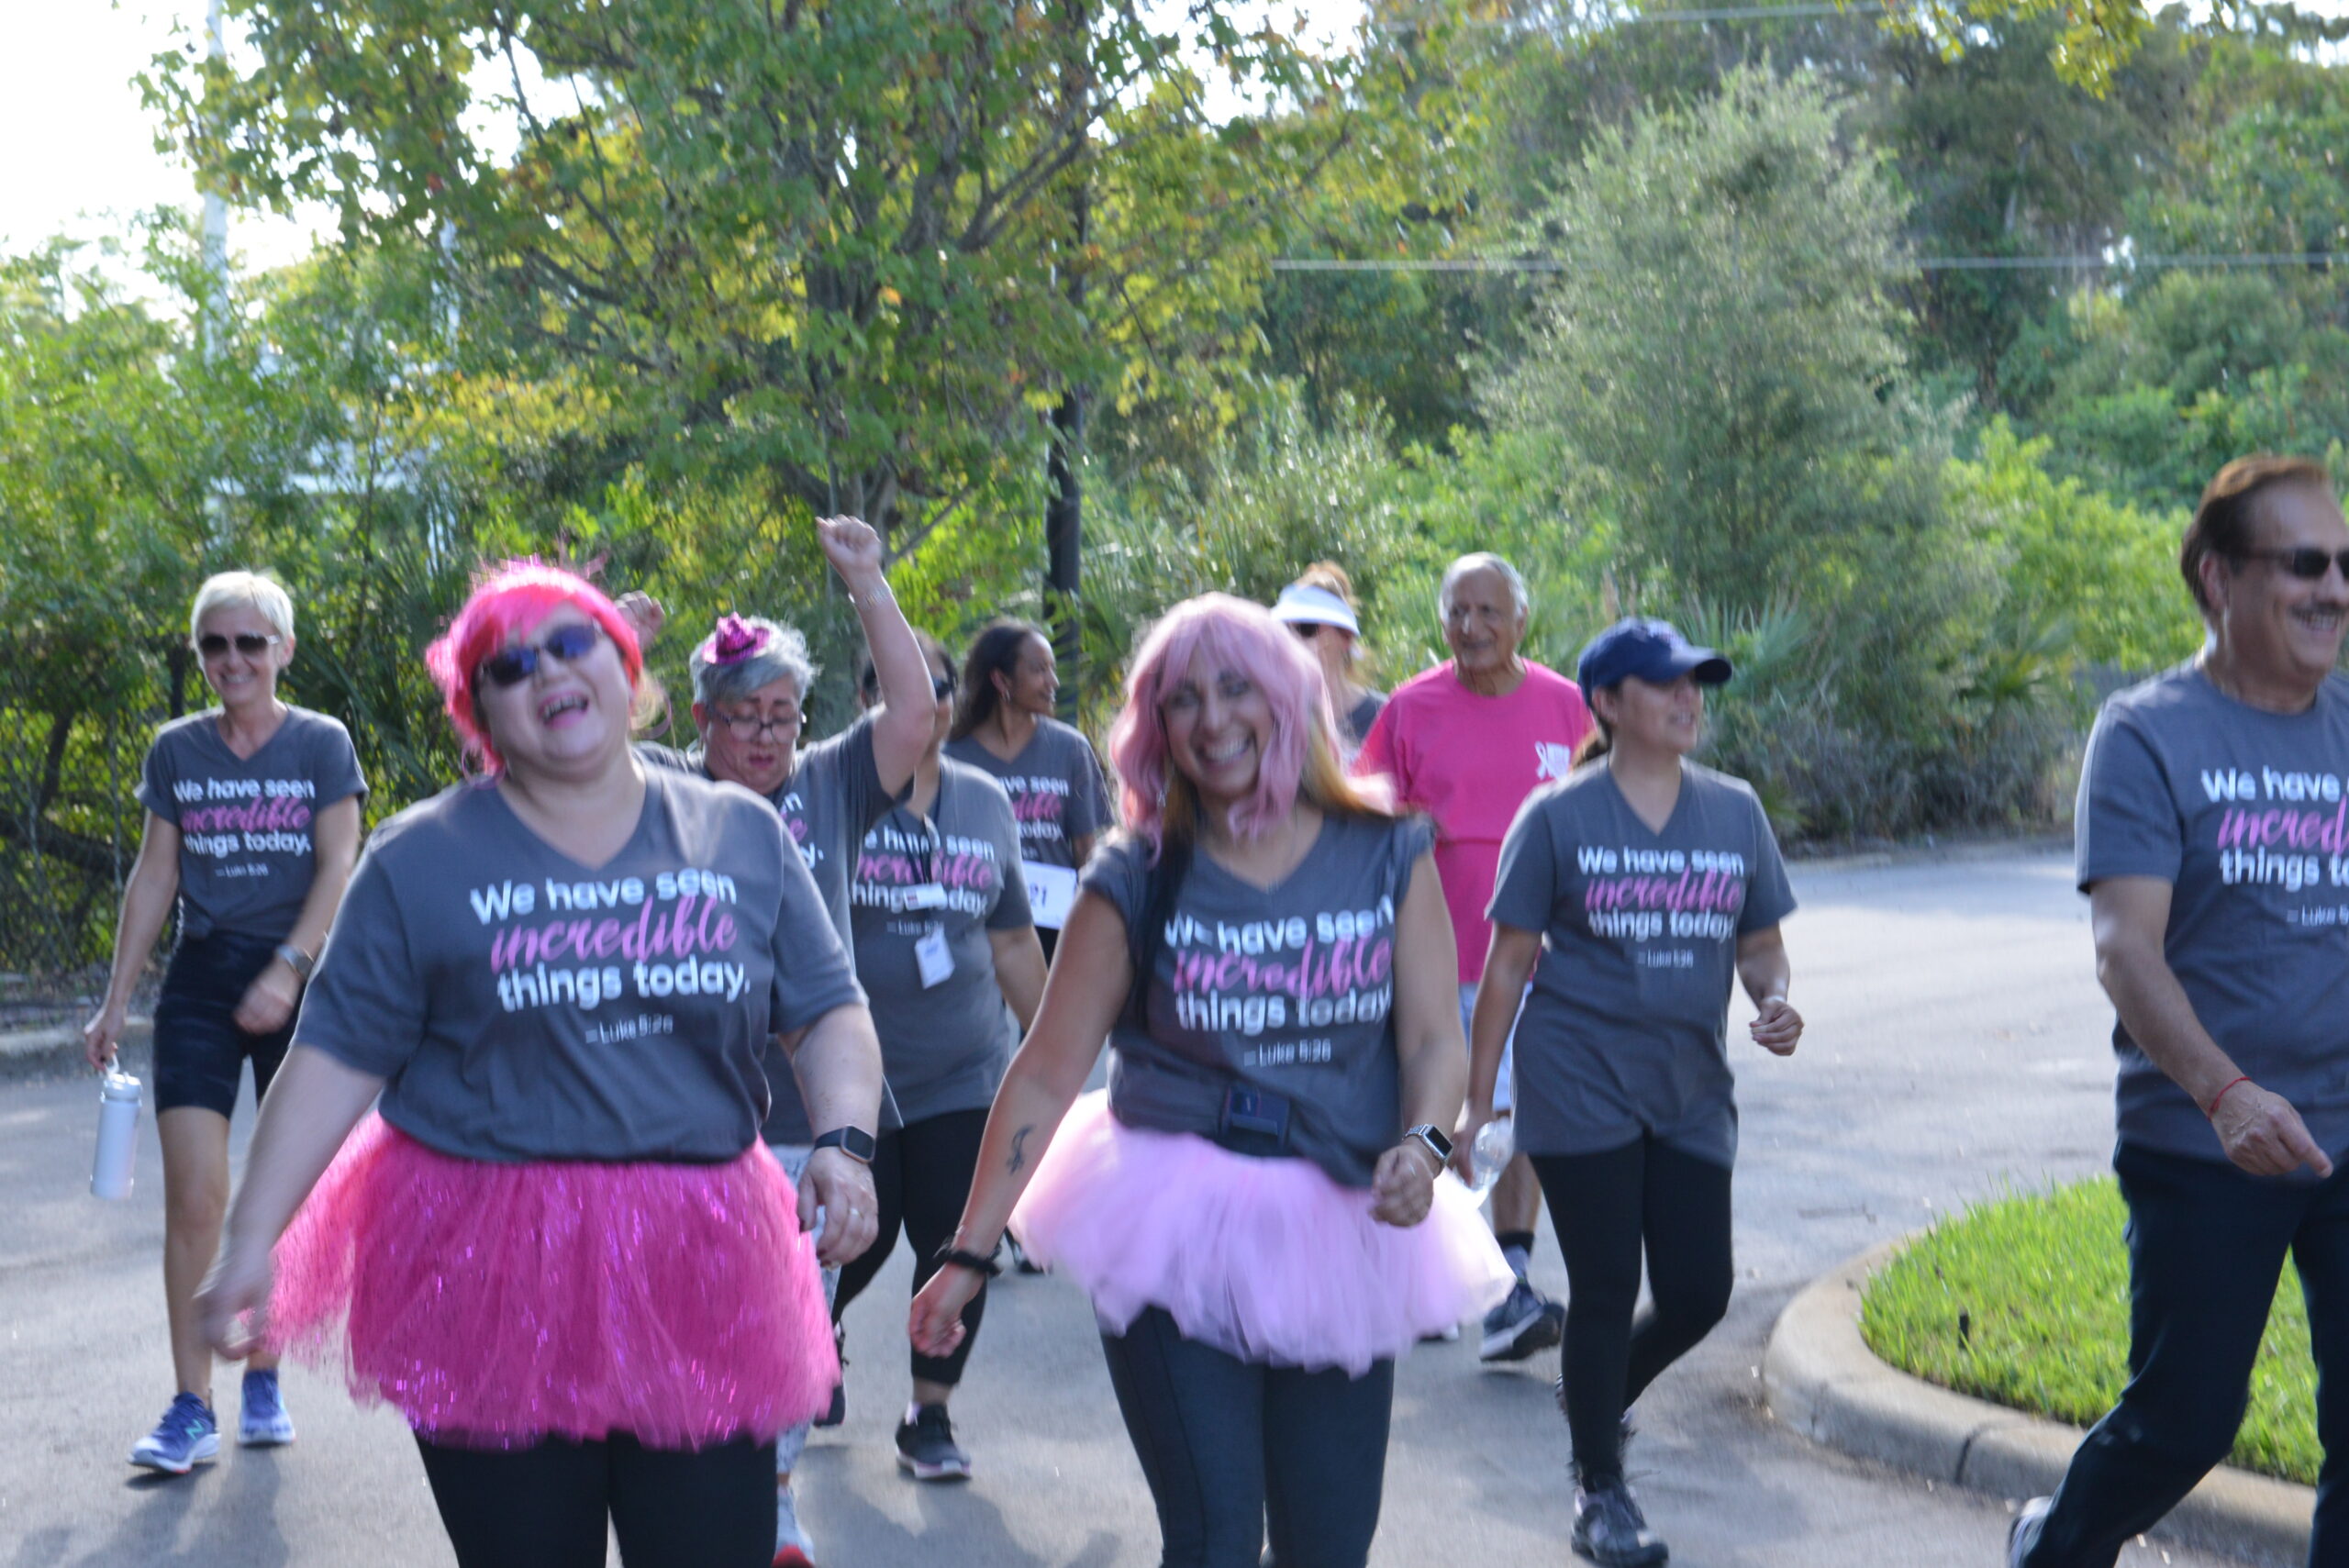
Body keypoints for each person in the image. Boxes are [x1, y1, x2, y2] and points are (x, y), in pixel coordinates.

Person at [193, 562, 886, 1568]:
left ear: (627, 666)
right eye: (509, 665)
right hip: (487, 1263)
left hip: (699, 1253)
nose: (547, 673)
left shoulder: (737, 831)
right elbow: (334, 1056)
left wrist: (845, 1143)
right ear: (478, 713)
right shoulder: (417, 857)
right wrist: (250, 1237)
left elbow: (826, 1009)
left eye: (574, 644)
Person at [909, 593, 1511, 1568]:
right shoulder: (1138, 871)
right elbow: (1046, 1073)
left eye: (1236, 688)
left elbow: (1434, 1041)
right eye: (1181, 699)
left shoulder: (1385, 849)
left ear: (1287, 700)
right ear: (1156, 726)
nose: (1212, 718)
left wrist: (1424, 1142)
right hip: (1174, 1216)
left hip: (1341, 1214)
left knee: (1327, 1545)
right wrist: (968, 1253)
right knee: (1214, 1536)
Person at [2011, 457, 2349, 1568]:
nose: (2334, 588)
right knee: (2188, 1418)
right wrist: (2227, 1092)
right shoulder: (2147, 732)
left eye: (2345, 565)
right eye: (2304, 562)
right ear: (2217, 578)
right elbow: (2124, 947)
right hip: (2208, 1141)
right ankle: (2054, 1548)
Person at [1457, 617, 1798, 1567]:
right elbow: (1507, 962)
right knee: (1606, 1282)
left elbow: (1760, 942)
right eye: (1664, 685)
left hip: (1690, 1083)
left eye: (1696, 683)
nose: (1688, 699)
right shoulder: (1558, 816)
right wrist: (1478, 1099)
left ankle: (1596, 1392)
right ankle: (1598, 1488)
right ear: (1608, 704)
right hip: (1578, 1076)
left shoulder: (1732, 811)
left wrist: (1772, 999)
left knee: (1697, 1288)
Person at [629, 518, 932, 1563]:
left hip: (813, 1112)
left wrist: (866, 582)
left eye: (783, 715)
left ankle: (770, 1490)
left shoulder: (831, 785)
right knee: (695, 1323)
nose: (766, 735)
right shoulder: (659, 784)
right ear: (702, 720)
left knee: (787, 1316)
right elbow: (549, 749)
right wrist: (615, 645)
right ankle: (707, 1488)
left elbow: (917, 711)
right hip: (685, 1112)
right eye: (744, 715)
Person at [83, 571, 366, 1474]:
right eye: (215, 643)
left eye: (250, 641)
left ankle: (266, 1373)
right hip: (204, 977)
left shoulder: (321, 743)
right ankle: (189, 1402)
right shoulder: (177, 750)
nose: (232, 659)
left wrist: (289, 966)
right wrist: (117, 996)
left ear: (283, 649)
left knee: (275, 1194)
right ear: (201, 655)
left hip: (299, 975)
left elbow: (340, 862)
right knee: (197, 1197)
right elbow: (156, 875)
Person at [1354, 551, 1594, 1362]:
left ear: (1521, 619)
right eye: (1459, 612)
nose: (1472, 628)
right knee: (1452, 1118)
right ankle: (1459, 1280)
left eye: (1489, 611)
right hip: (1443, 951)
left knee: (1515, 1120)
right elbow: (1367, 820)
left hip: (1551, 959)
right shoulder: (1411, 710)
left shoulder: (1569, 707)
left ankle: (1505, 1280)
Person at [833, 632, 1048, 1481]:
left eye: (939, 686)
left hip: (965, 1074)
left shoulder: (986, 803)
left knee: (957, 1245)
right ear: (865, 702)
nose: (925, 705)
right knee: (856, 1238)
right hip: (853, 1079)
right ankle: (816, 1331)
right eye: (895, 688)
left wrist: (1055, 1060)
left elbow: (1012, 940)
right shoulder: (830, 796)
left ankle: (929, 1414)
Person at [945, 619, 1110, 961]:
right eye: (1039, 670)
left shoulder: (1070, 749)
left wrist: (1095, 927)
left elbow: (1086, 847)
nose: (1054, 682)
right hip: (977, 928)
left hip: (1056, 931)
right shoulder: (952, 756)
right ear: (1001, 679)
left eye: (1052, 670)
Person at [1272, 562, 1386, 757]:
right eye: (1283, 629)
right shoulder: (1273, 719)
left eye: (1306, 628)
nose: (1293, 639)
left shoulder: (1384, 715)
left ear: (1346, 637)